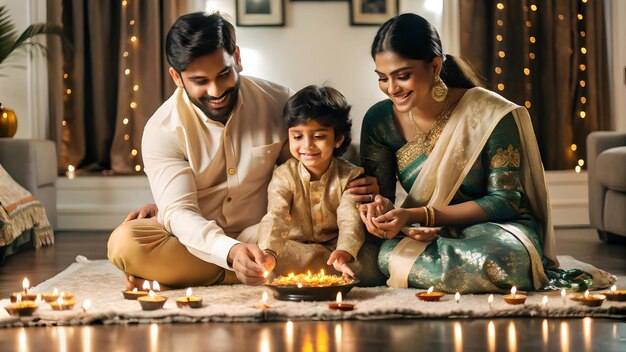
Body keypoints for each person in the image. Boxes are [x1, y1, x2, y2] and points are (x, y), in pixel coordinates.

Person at [107, 12, 379, 289]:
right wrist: (229, 251)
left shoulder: (278, 102)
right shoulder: (162, 129)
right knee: (126, 244)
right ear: (177, 77)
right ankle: (239, 271)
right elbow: (179, 213)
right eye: (200, 81)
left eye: (223, 74)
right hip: (197, 239)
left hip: (267, 235)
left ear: (236, 57)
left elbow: (306, 172)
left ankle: (182, 275)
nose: (215, 91)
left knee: (359, 253)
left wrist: (347, 185)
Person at [359, 13, 566, 293]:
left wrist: (420, 214)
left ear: (434, 66)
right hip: (422, 231)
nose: (392, 89)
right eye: (383, 78)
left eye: (403, 76)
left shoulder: (490, 114)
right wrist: (378, 211)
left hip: (496, 228)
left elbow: (505, 201)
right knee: (383, 255)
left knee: (501, 260)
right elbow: (381, 195)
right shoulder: (380, 120)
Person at [258, 85, 383, 284]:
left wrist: (344, 252)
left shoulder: (351, 175)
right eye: (298, 137)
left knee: (373, 259)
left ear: (338, 139)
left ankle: (334, 265)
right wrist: (270, 254)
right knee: (263, 246)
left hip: (337, 249)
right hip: (297, 246)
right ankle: (325, 268)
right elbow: (276, 216)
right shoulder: (283, 175)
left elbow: (350, 221)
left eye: (318, 136)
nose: (307, 145)